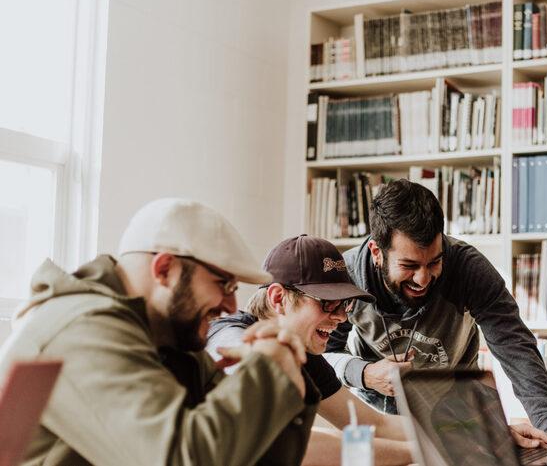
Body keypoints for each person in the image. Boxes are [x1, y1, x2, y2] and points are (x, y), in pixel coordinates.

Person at [0, 198, 315, 465]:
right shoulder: (81, 329)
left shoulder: (170, 339)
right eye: (224, 284)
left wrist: (287, 376)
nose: (232, 306)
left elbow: (254, 457)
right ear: (164, 269)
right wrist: (267, 370)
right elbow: (181, 458)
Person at [323, 179, 547, 441]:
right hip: (377, 419)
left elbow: (517, 350)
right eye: (409, 266)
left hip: (457, 413)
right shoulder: (346, 276)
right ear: (377, 252)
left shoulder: (469, 269)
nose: (423, 279)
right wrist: (365, 374)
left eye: (434, 262)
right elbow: (323, 357)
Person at [206, 234, 414, 466]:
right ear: (278, 298)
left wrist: (450, 431)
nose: (341, 317)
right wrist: (418, 453)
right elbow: (292, 446)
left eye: (345, 304)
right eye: (328, 302)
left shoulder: (302, 352)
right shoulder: (229, 336)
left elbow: (373, 424)